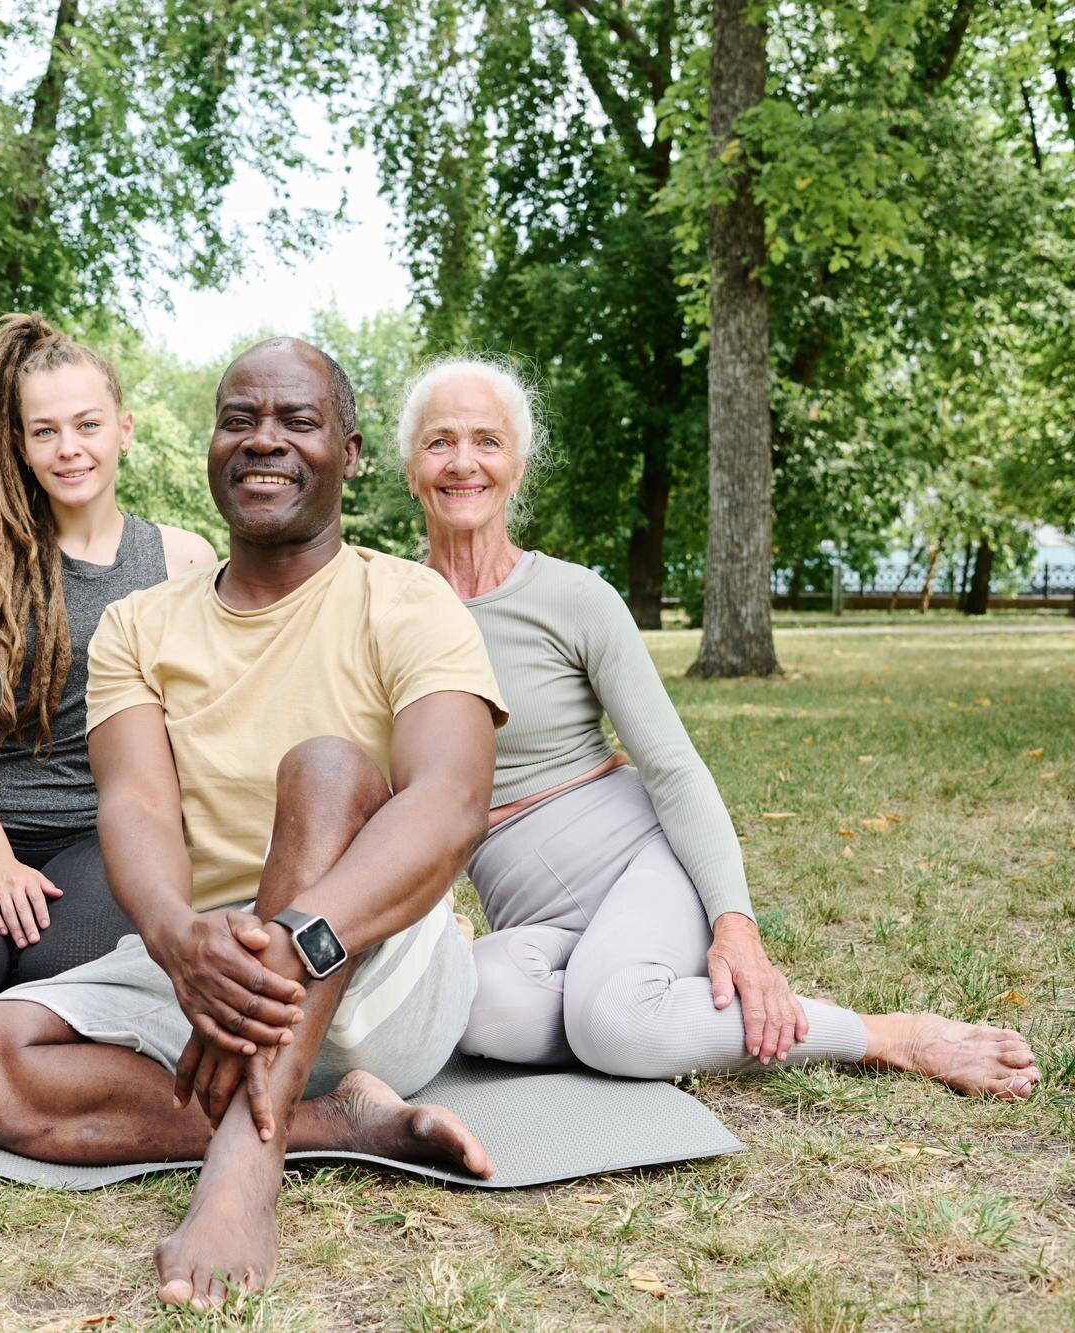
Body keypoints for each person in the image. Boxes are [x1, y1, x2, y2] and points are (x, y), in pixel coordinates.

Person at [0, 338, 509, 1309]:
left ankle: (242, 1167)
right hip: (212, 965)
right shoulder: (142, 624)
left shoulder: (407, 599)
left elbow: (449, 805)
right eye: (239, 419)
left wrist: (290, 942)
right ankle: (340, 1122)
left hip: (367, 950)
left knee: (325, 769)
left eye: (296, 421)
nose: (262, 441)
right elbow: (137, 805)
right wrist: (181, 943)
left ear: (351, 451)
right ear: (207, 445)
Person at [398, 355, 1041, 1099]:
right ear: (412, 469)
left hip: (640, 864)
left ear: (517, 465)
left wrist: (735, 924)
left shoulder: (574, 597)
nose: (463, 461)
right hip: (532, 914)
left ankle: (886, 1034)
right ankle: (630, 997)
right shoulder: (389, 611)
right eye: (439, 441)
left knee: (615, 1026)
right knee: (478, 1009)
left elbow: (671, 763)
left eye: (487, 440)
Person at [0, 313, 216, 1003]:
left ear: (125, 428)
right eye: (45, 431)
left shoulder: (183, 560)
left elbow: (205, 733)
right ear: (21, 445)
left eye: (88, 425)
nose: (69, 449)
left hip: (110, 834)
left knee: (54, 977)